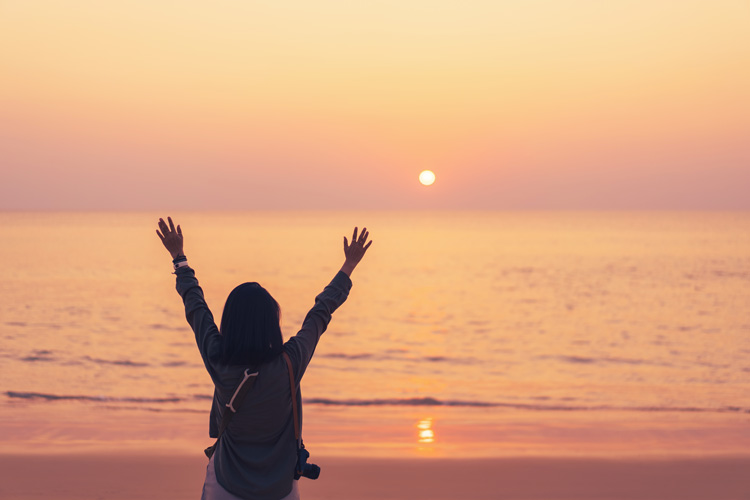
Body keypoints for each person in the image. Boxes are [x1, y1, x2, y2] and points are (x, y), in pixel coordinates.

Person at [156, 217, 372, 500]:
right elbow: (321, 311)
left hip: (225, 484)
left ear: (230, 321)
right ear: (272, 321)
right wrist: (349, 266)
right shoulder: (290, 363)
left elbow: (195, 306)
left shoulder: (219, 359)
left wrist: (179, 258)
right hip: (279, 488)